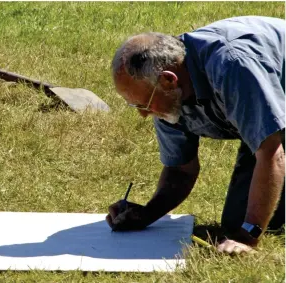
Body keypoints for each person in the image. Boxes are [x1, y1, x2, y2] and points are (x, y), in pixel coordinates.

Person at [107, 16, 285, 255]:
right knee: (236, 222)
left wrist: (247, 237)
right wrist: (148, 214)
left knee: (250, 226)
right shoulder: (167, 94)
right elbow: (181, 170)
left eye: (144, 104)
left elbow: (271, 154)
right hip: (273, 114)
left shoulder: (232, 65)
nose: (143, 114)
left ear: (169, 80)